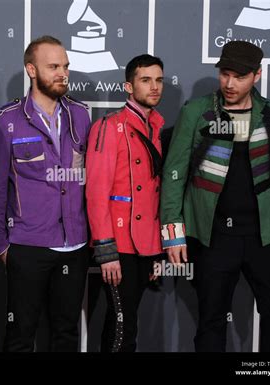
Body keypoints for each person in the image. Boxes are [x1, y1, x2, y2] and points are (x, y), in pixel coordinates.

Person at [160, 41, 270, 352]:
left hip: (264, 235)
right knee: (211, 321)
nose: (230, 84)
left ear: (256, 76)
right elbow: (173, 175)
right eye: (225, 74)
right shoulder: (196, 112)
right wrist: (173, 233)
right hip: (214, 235)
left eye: (239, 76)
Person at [0, 36, 91, 352]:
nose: (63, 74)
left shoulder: (81, 115)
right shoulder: (6, 122)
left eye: (66, 67)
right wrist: (0, 244)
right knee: (20, 336)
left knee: (67, 335)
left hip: (75, 243)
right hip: (27, 246)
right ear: (31, 69)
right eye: (53, 67)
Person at [86, 54, 165, 352]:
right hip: (118, 245)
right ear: (128, 87)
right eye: (146, 80)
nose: (154, 87)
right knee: (121, 325)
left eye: (159, 80)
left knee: (127, 322)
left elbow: (154, 195)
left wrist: (156, 250)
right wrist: (106, 250)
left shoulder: (155, 127)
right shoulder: (109, 126)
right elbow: (96, 191)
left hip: (144, 246)